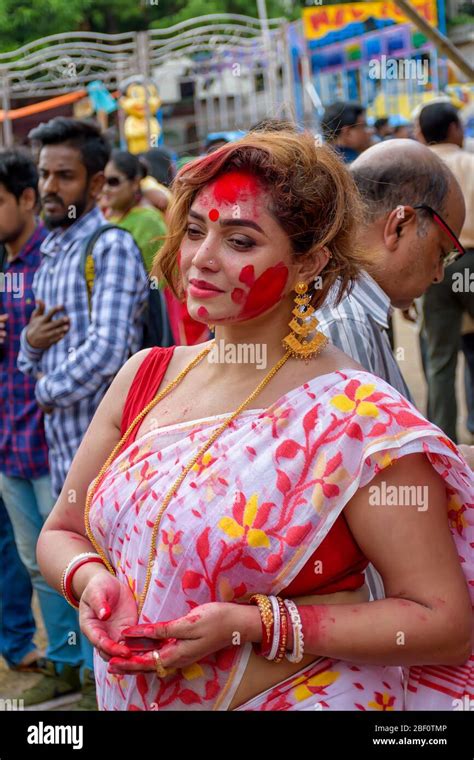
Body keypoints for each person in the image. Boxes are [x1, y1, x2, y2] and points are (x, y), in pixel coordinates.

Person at [37, 131, 472, 712]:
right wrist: (94, 582)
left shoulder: (355, 417)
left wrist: (254, 624)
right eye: (194, 230)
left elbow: (442, 623)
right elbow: (62, 531)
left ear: (309, 262)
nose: (201, 259)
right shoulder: (145, 377)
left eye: (239, 240)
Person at [17, 118, 148, 707]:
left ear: (97, 184)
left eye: (64, 176)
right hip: (60, 449)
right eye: (44, 174)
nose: (50, 187)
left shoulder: (110, 246)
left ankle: (114, 682)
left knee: (117, 579)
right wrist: (32, 350)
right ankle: (86, 672)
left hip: (111, 456)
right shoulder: (50, 252)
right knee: (66, 573)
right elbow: (28, 346)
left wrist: (44, 384)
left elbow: (111, 349)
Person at [0, 150, 84, 706]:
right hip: (10, 439)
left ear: (26, 200)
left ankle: (93, 673)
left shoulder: (52, 263)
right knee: (35, 565)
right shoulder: (5, 269)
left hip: (55, 441)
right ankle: (63, 663)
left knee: (74, 563)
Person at [316, 139, 465, 406]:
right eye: (442, 252)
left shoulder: (351, 311)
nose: (439, 275)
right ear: (399, 226)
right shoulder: (347, 324)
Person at [417, 101, 474, 442]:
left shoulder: (415, 169)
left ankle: (442, 440)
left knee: (439, 360)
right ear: (454, 128)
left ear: (422, 133)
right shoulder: (471, 162)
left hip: (433, 264)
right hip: (472, 260)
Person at [102, 150, 167, 273]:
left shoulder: (148, 222)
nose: (105, 189)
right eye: (103, 182)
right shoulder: (108, 216)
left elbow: (154, 280)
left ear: (135, 183)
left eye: (113, 182)